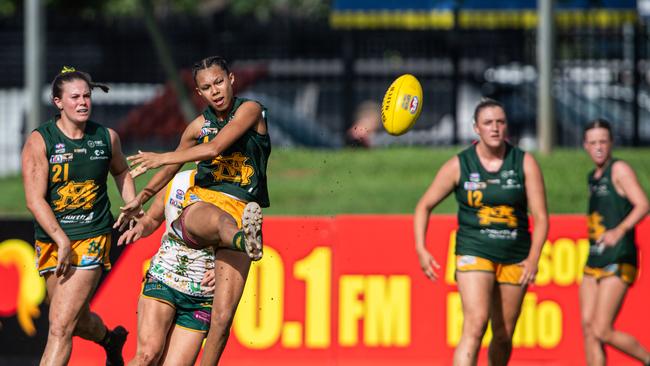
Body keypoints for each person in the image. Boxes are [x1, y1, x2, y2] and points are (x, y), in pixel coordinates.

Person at [116, 55, 270, 365]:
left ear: (232, 80)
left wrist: (163, 157)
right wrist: (142, 198)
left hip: (241, 213)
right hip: (204, 204)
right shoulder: (198, 126)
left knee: (223, 321)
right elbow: (174, 169)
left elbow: (214, 148)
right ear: (198, 94)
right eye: (206, 88)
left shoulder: (250, 110)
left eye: (219, 82)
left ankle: (244, 240)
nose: (215, 91)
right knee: (215, 218)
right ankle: (245, 241)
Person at [413, 98, 548, 366]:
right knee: (475, 325)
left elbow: (541, 217)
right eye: (488, 123)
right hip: (474, 249)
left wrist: (534, 258)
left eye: (500, 122)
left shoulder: (523, 162)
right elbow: (424, 206)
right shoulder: (460, 164)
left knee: (503, 335)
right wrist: (421, 248)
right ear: (476, 128)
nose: (495, 128)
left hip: (515, 255)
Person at [21, 66, 135, 366]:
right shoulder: (40, 140)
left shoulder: (106, 138)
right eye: (75, 97)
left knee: (59, 328)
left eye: (87, 96)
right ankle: (110, 339)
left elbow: (122, 171)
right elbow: (34, 200)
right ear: (58, 103)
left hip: (93, 237)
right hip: (53, 239)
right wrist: (60, 240)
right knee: (77, 320)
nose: (83, 102)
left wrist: (132, 202)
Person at [118, 170, 216, 366]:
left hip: (201, 295)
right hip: (164, 277)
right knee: (147, 355)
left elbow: (247, 239)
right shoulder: (178, 181)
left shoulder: (232, 193)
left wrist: (221, 270)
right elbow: (152, 219)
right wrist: (139, 227)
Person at [580, 119, 650, 366]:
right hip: (595, 256)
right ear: (585, 145)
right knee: (588, 328)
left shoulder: (619, 170)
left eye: (603, 141)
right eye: (593, 142)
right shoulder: (593, 177)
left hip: (619, 257)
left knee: (602, 329)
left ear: (611, 143)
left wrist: (619, 230)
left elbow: (643, 204)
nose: (598, 147)